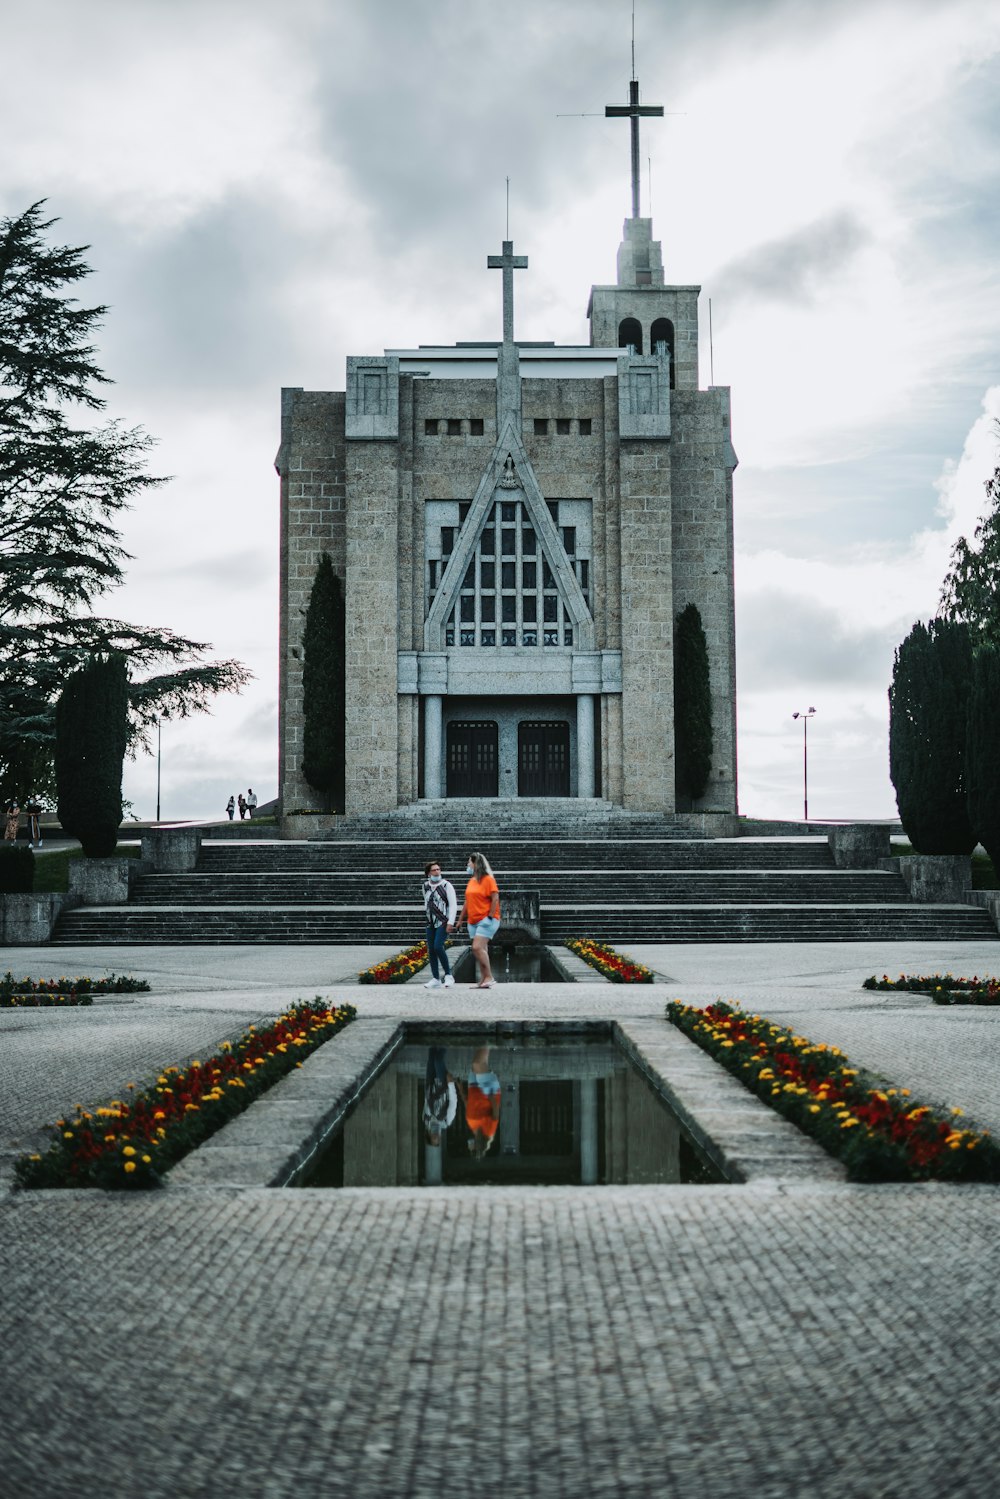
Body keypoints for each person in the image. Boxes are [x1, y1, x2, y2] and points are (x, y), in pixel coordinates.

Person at [455, 851, 500, 990]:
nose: (467, 865)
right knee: (481, 950)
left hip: (486, 920)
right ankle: (483, 979)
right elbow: (467, 902)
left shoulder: (488, 879)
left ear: (475, 864)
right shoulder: (472, 881)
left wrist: (490, 916)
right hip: (472, 921)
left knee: (476, 948)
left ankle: (489, 977)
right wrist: (460, 919)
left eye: (469, 862)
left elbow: (495, 898)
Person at [456, 1045, 501, 1158]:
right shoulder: (489, 1131)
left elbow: (468, 1105)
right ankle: (489, 1041)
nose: (472, 1144)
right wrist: (490, 1096)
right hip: (488, 1092)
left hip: (473, 1086)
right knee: (478, 1063)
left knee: (478, 1062)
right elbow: (495, 1113)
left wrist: (460, 1088)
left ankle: (486, 1041)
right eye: (475, 1146)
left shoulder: (473, 1128)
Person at [422, 860, 457, 988]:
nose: (437, 872)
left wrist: (450, 922)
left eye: (438, 869)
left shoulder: (447, 885)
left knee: (438, 946)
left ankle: (448, 975)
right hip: (430, 922)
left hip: (443, 921)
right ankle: (435, 978)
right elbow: (426, 902)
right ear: (428, 873)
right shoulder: (425, 886)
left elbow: (453, 905)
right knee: (431, 949)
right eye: (434, 870)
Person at [422, 1046, 458, 1145]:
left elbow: (426, 1101)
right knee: (438, 1060)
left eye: (433, 1137)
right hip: (443, 1085)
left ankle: (434, 1036)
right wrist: (450, 1084)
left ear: (429, 1134)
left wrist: (428, 1087)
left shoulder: (426, 1119)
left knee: (432, 1055)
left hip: (430, 1084)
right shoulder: (447, 1121)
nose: (436, 1135)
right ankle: (446, 1040)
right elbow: (453, 1102)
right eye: (437, 1138)